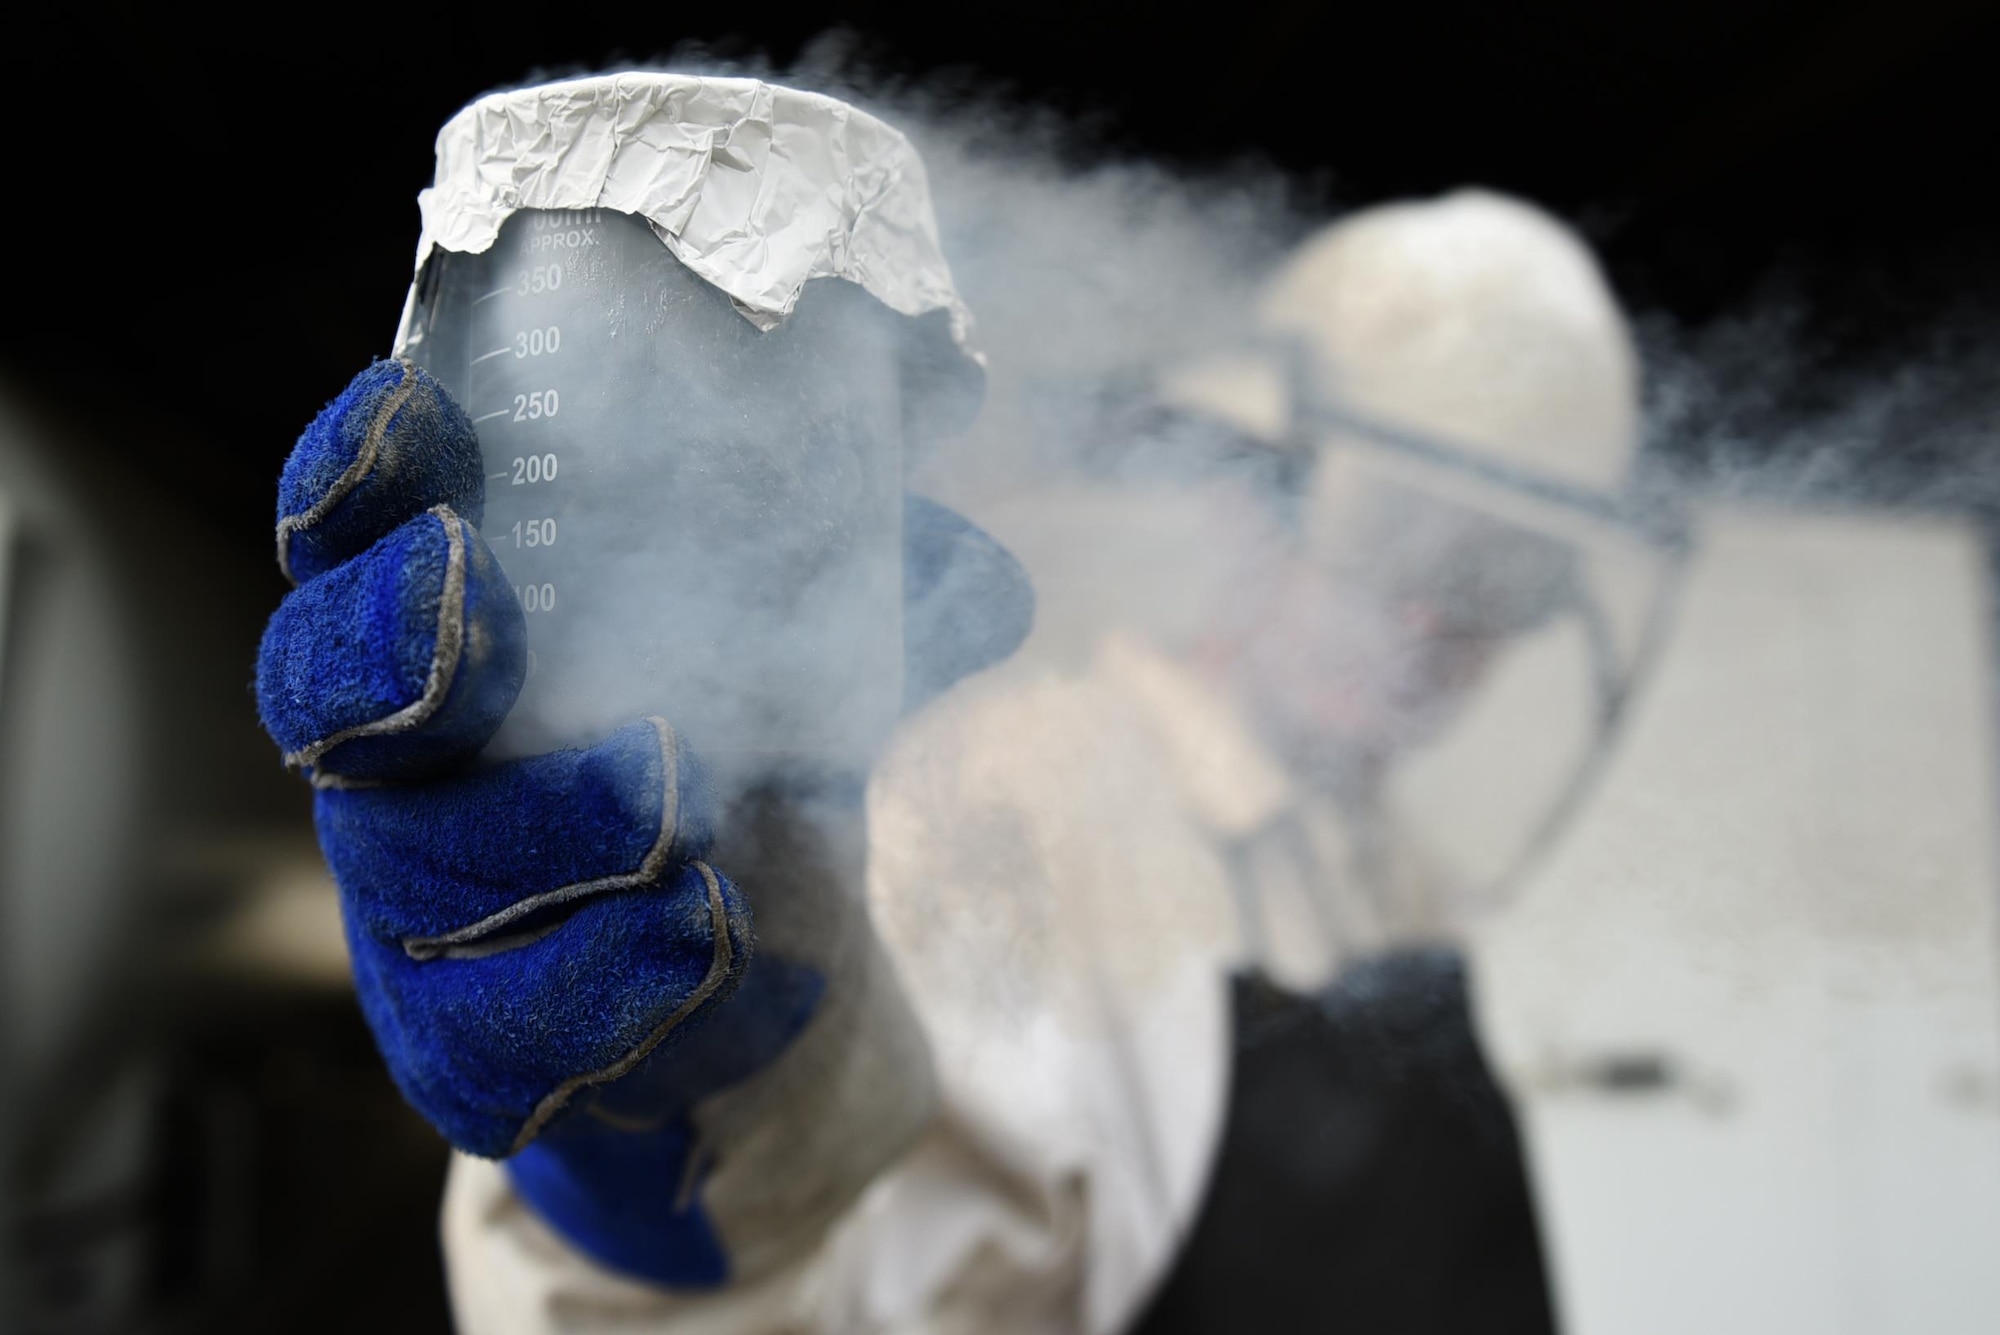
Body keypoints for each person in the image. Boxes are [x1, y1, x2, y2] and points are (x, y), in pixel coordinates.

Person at [256, 74, 1660, 1334]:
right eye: (1414, 546)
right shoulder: (1021, 818)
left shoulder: (1384, 872)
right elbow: (792, 1304)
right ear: (1249, 491)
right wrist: (647, 1163)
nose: (1444, 624)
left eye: (1510, 580)